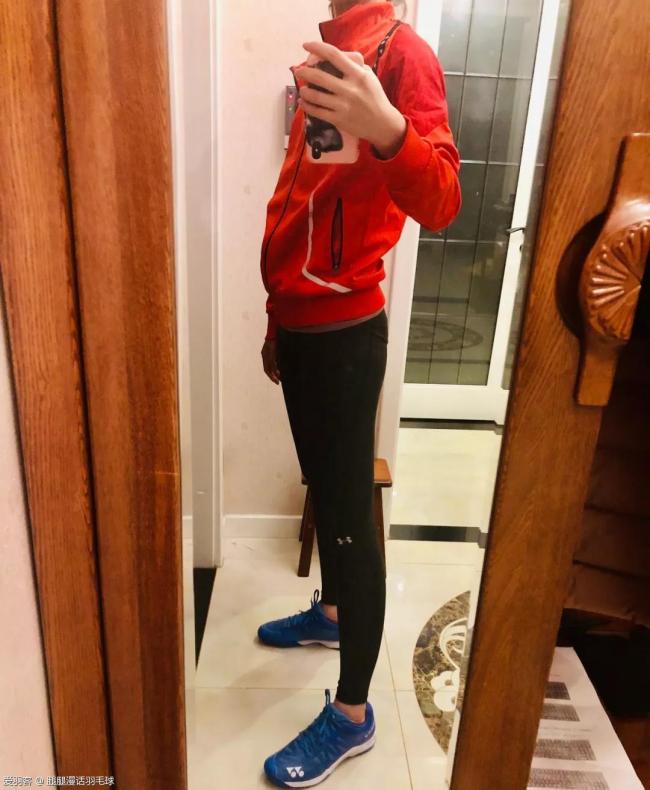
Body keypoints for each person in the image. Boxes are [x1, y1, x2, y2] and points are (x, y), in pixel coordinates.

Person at [258, 1, 461, 785]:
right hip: (300, 322)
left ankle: (352, 716)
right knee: (326, 489)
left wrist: (389, 129)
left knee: (349, 523)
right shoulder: (332, 51)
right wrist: (277, 316)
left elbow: (441, 201)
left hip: (344, 333)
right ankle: (333, 614)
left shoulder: (402, 53)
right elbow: (301, 200)